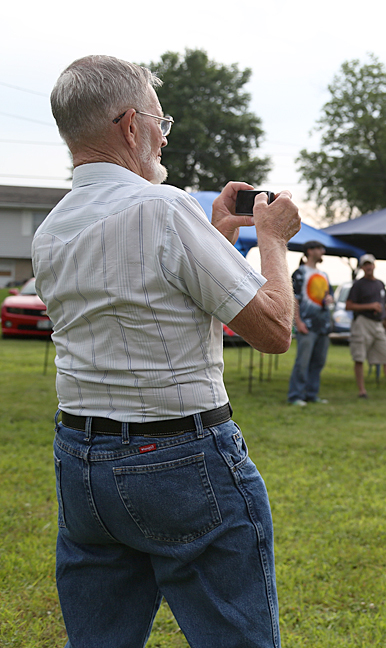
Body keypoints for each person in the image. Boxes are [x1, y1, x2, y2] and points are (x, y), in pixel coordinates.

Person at [35, 54, 301, 647]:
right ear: (131, 126)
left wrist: (219, 235)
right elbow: (274, 330)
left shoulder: (51, 230)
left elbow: (148, 299)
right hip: (179, 455)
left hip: (82, 461)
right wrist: (273, 242)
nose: (163, 136)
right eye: (161, 122)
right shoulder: (164, 207)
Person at [346, 253, 386, 400]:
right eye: (365, 264)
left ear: (374, 266)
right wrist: (369, 306)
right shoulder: (358, 285)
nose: (368, 267)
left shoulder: (380, 284)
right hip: (362, 323)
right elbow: (349, 305)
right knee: (359, 357)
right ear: (362, 267)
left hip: (378, 324)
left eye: (370, 264)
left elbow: (384, 307)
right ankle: (362, 391)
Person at [287, 240, 334, 405]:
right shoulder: (299, 273)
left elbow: (330, 296)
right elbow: (294, 299)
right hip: (306, 325)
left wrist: (330, 299)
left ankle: (311, 394)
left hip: (323, 325)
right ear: (310, 251)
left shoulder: (324, 275)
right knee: (303, 362)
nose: (323, 251)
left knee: (318, 362)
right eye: (320, 248)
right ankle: (296, 395)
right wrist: (298, 322)